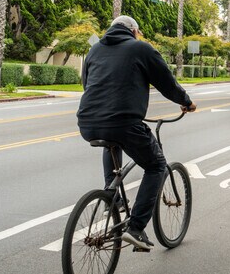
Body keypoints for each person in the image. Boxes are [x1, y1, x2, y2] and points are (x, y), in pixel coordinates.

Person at [77, 16, 197, 250]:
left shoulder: (95, 50)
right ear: (134, 31)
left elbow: (86, 84)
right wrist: (186, 102)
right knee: (156, 166)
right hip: (123, 121)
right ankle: (136, 228)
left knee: (113, 142)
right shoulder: (141, 48)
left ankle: (112, 198)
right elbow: (166, 82)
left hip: (87, 122)